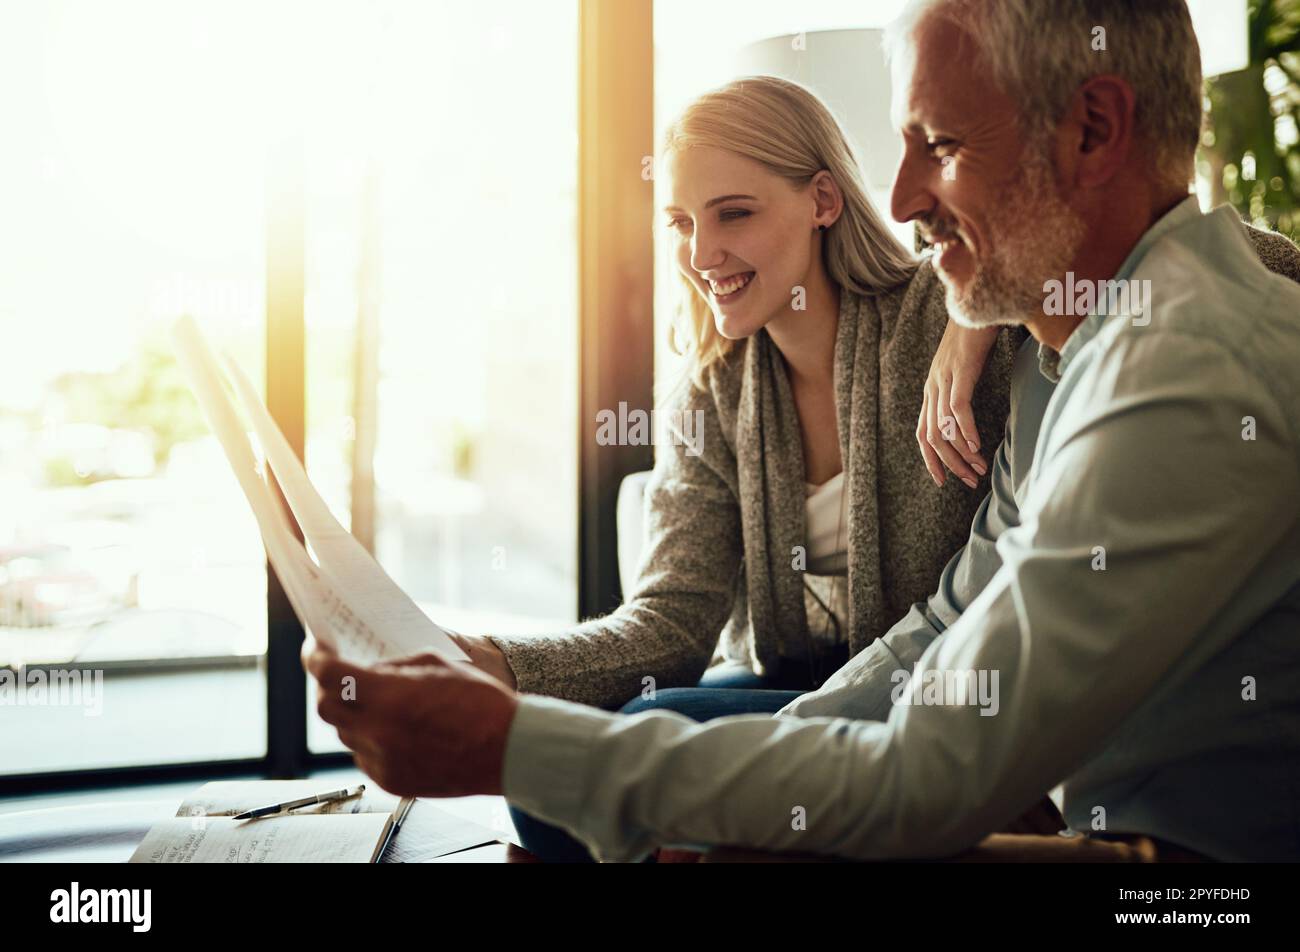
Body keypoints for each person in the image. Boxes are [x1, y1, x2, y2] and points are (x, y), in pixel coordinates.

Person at [309, 0, 1300, 862]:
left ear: (1092, 130)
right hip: (1069, 805)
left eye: (939, 146)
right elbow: (944, 622)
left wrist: (510, 744)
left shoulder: (1181, 360)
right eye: (680, 223)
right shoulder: (1069, 357)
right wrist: (769, 753)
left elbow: (931, 772)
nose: (904, 196)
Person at [444, 76, 1023, 859]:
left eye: (735, 214)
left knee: (636, 755)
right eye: (681, 222)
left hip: (939, 698)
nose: (700, 254)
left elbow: (1105, 276)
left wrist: (984, 311)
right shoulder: (710, 392)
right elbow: (674, 622)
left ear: (823, 201)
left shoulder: (944, 314)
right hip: (801, 694)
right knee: (552, 790)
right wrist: (503, 666)